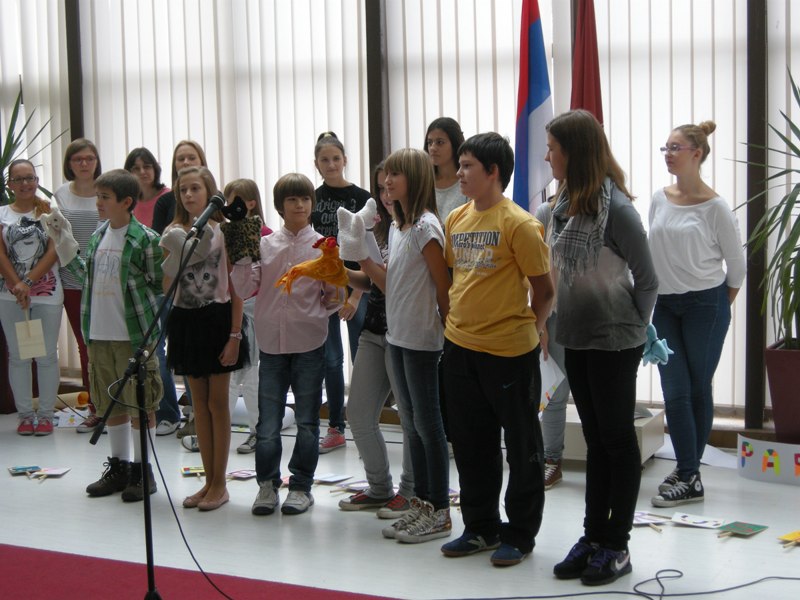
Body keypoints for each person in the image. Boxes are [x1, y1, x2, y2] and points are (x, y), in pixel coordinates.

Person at [545, 110, 658, 587]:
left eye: (553, 148)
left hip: (615, 340)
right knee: (596, 441)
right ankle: (593, 537)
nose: (547, 156)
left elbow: (648, 281)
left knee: (617, 441)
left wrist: (635, 328)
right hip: (575, 336)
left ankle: (617, 544)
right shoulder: (562, 204)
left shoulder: (619, 210)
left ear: (575, 152)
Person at [439, 133, 554, 567]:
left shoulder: (520, 224)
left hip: (510, 354)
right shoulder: (456, 218)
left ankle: (520, 534)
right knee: (472, 445)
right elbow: (458, 278)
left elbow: (545, 291)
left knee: (522, 447)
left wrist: (532, 331)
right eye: (460, 164)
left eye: (468, 165)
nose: (459, 173)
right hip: (460, 348)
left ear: (493, 172)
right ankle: (481, 528)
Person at [351, 148, 452, 544]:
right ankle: (421, 504)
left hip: (423, 341)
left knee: (429, 426)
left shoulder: (427, 227)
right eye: (386, 175)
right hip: (397, 337)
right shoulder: (398, 226)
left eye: (396, 175)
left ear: (415, 178)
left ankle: (439, 509)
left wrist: (450, 337)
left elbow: (444, 289)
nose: (387, 182)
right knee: (412, 424)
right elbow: (391, 284)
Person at [229, 173, 343, 516]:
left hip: (309, 343)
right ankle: (267, 484)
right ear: (280, 206)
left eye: (305, 199)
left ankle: (301, 486)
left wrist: (317, 310)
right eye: (292, 199)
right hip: (272, 346)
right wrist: (241, 254)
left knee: (307, 421)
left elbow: (333, 297)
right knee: (267, 423)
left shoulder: (323, 245)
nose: (300, 205)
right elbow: (244, 288)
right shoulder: (265, 245)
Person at [648, 121, 745, 508]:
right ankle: (689, 471)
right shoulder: (659, 199)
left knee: (696, 388)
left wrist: (719, 308)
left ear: (697, 154)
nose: (668, 154)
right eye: (666, 148)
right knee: (675, 390)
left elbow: (736, 269)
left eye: (676, 148)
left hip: (706, 304)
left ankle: (689, 474)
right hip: (664, 305)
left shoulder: (715, 207)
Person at [62, 169, 164, 501]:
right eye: (98, 196)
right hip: (99, 332)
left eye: (105, 197)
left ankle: (142, 470)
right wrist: (66, 250)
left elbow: (159, 284)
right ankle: (119, 467)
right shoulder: (98, 235)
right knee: (111, 402)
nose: (98, 203)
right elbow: (88, 277)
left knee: (140, 403)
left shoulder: (145, 239)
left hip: (133, 335)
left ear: (126, 202)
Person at [162, 165, 245, 512]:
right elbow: (167, 285)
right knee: (199, 405)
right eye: (183, 190)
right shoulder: (173, 233)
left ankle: (220, 483)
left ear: (209, 192)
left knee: (217, 404)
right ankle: (208, 481)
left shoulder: (223, 232)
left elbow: (237, 288)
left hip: (217, 319)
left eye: (195, 188)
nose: (188, 195)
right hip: (186, 320)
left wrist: (235, 335)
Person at [338, 162, 414, 519]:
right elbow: (372, 284)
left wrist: (361, 257)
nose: (385, 193)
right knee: (358, 412)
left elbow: (391, 284)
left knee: (410, 418)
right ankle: (380, 487)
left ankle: (411, 491)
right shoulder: (380, 227)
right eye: (381, 188)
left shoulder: (417, 227)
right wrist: (337, 270)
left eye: (391, 184)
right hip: (374, 329)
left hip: (406, 334)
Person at [312, 132, 372, 453]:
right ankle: (336, 426)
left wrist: (355, 297)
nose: (331, 164)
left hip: (357, 285)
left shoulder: (362, 197)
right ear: (317, 164)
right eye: (325, 159)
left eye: (336, 158)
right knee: (331, 359)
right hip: (325, 287)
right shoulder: (312, 198)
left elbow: (371, 251)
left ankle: (366, 425)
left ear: (345, 160)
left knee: (363, 357)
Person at [0, 160, 62, 436]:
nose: (25, 183)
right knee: (19, 356)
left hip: (47, 294)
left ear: (37, 180)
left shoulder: (49, 211)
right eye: (19, 179)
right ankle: (25, 415)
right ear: (10, 184)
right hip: (9, 296)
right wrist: (17, 286)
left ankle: (46, 414)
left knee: (46, 355)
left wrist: (28, 282)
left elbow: (55, 250)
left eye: (30, 178)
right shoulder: (2, 214)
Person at [151, 140, 208, 440]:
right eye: (180, 159)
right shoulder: (166, 206)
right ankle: (175, 413)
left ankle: (201, 418)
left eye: (191, 157)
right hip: (177, 299)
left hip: (210, 304)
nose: (185, 162)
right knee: (175, 357)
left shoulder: (215, 215)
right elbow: (164, 264)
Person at [124, 147, 181, 437]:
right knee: (154, 352)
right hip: (143, 288)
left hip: (170, 282)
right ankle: (165, 412)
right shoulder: (127, 202)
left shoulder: (168, 197)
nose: (142, 172)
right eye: (135, 168)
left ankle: (182, 414)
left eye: (147, 166)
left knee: (178, 350)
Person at [222, 178, 273, 455]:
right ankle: (218, 431)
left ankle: (257, 431)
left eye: (236, 200)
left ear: (251, 203)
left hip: (254, 309)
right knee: (228, 374)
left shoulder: (265, 234)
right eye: (228, 200)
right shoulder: (225, 233)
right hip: (230, 307)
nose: (230, 205)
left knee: (251, 374)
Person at [54, 138, 102, 433]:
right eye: (78, 159)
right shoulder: (61, 194)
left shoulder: (107, 189)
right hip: (72, 282)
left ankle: (116, 408)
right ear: (69, 164)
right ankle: (96, 408)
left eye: (89, 158)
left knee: (108, 345)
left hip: (104, 281)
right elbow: (58, 239)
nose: (84, 164)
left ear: (97, 162)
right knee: (86, 347)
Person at [534, 197, 571, 490]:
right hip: (556, 315)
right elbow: (535, 270)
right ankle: (552, 459)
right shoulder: (546, 212)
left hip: (595, 314)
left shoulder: (606, 207)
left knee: (596, 394)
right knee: (555, 392)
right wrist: (541, 323)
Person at [424, 117, 468, 223]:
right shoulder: (423, 183)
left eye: (440, 142)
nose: (432, 148)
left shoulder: (468, 181)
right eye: (429, 143)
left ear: (455, 144)